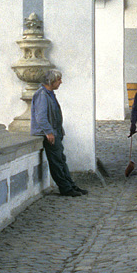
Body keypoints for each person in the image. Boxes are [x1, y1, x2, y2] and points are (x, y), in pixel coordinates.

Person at [31, 68, 87, 197]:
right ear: (51, 81)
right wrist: (49, 132)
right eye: (58, 80)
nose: (61, 82)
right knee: (57, 162)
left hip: (55, 132)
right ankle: (65, 188)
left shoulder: (49, 94)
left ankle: (71, 185)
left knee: (61, 160)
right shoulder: (42, 94)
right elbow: (41, 117)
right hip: (50, 134)